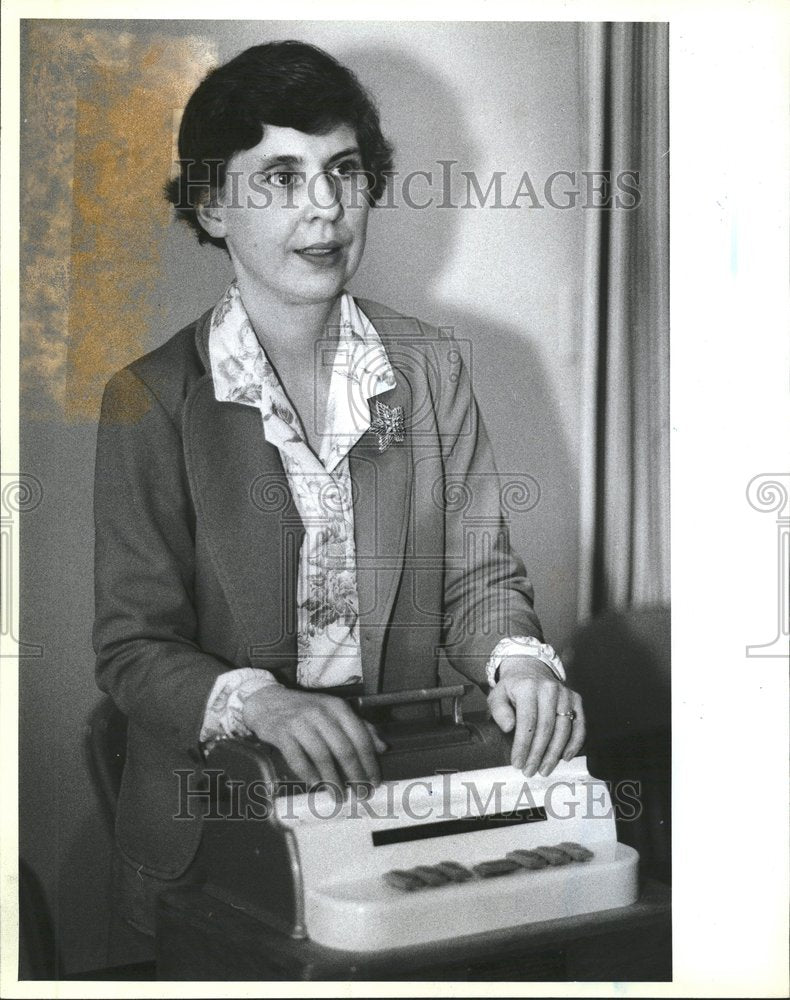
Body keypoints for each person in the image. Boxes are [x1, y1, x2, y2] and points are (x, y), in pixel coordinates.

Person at [93, 39, 586, 936]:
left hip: (393, 795)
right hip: (215, 830)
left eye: (343, 171)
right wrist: (266, 703)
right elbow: (133, 649)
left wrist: (518, 662)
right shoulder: (150, 400)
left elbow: (478, 585)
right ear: (211, 206)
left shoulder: (432, 366)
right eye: (279, 178)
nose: (323, 209)